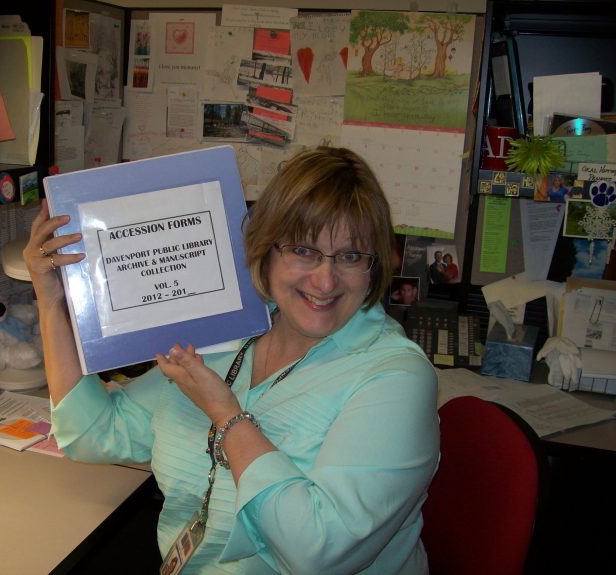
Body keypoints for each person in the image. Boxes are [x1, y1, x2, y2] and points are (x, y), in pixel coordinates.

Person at [24, 146, 439, 574]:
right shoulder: (230, 334)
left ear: (373, 266)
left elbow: (321, 554)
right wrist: (51, 300)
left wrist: (227, 416)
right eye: (304, 251)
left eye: (350, 256)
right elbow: (94, 432)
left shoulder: (395, 377)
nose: (325, 279)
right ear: (267, 250)